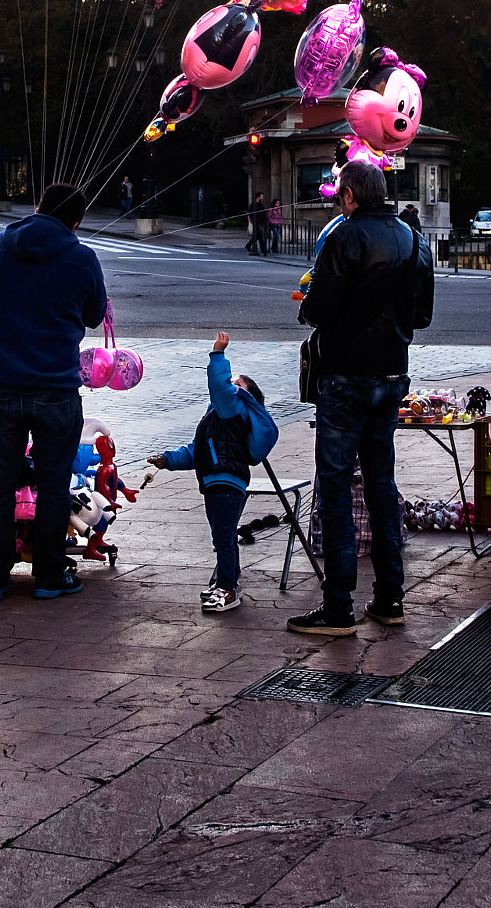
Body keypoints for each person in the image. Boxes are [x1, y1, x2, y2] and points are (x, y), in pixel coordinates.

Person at [288, 160, 434, 637]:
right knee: (381, 483)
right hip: (392, 373)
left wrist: (308, 304)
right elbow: (423, 316)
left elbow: (322, 310)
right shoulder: (415, 240)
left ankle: (338, 607)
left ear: (350, 195)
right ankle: (390, 597)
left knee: (333, 486)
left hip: (346, 375)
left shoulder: (342, 237)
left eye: (339, 196)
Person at [0, 182, 107, 600]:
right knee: (52, 484)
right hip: (56, 389)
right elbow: (95, 315)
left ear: (39, 207)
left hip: (3, 386)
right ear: (76, 221)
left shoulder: (0, 246)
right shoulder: (82, 258)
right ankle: (49, 576)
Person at [147, 332, 274, 614]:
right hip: (217, 483)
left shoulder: (233, 410)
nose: (231, 387)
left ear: (245, 397)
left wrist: (218, 354)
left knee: (223, 539)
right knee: (224, 537)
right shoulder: (218, 418)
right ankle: (227, 582)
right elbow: (195, 452)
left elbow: (218, 385)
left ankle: (228, 588)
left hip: (226, 482)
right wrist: (167, 460)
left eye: (237, 385)